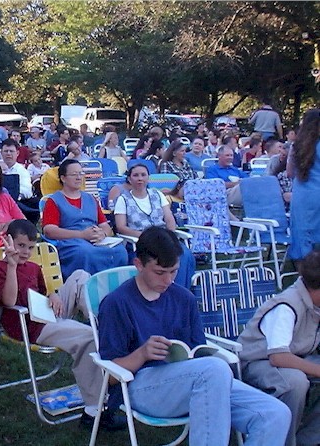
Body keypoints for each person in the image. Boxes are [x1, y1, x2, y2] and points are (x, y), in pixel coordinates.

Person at [98, 226, 291, 446]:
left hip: (194, 381)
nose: (168, 280)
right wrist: (142, 354)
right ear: (139, 264)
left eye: (174, 271)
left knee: (275, 414)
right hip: (140, 387)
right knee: (214, 369)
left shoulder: (184, 298)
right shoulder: (117, 303)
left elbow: (199, 352)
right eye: (160, 272)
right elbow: (110, 376)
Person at [0, 220, 126, 431]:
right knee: (89, 338)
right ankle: (94, 412)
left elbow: (43, 292)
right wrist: (12, 266)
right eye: (21, 245)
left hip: (45, 313)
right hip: (27, 325)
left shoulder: (33, 267)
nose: (25, 252)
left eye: (30, 247)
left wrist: (53, 296)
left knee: (80, 276)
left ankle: (104, 324)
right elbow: (9, 301)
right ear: (8, 240)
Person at [238, 249, 320, 446]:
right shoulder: (287, 306)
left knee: (297, 376)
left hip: (298, 357)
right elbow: (278, 357)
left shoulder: (315, 304)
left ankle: (308, 439)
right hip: (258, 362)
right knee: (295, 381)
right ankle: (283, 441)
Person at [42, 159, 128, 280]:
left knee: (120, 251)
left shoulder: (90, 199)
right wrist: (81, 235)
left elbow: (104, 225)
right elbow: (49, 230)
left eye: (81, 173)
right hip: (71, 242)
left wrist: (102, 234)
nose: (79, 177)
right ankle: (87, 286)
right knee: (85, 252)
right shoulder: (54, 201)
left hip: (95, 240)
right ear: (63, 178)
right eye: (74, 174)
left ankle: (115, 285)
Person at [113, 163, 196, 288]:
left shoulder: (157, 195)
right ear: (129, 179)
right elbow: (121, 227)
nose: (140, 178)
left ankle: (180, 290)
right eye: (136, 175)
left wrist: (171, 235)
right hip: (141, 241)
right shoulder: (123, 199)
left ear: (148, 178)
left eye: (143, 175)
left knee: (184, 254)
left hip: (163, 237)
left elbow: (169, 218)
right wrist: (144, 236)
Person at [288, 108, 320, 261]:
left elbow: (289, 172)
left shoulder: (296, 146)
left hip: (302, 194)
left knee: (302, 231)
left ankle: (305, 268)